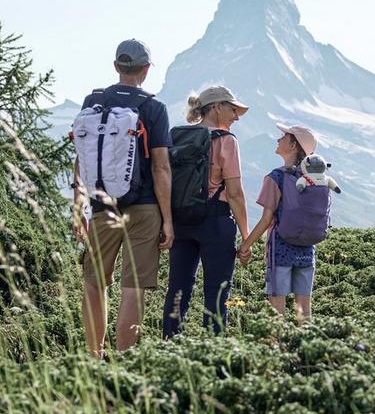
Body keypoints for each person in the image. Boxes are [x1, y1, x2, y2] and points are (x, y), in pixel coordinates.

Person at [71, 39, 173, 355]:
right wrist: (168, 220)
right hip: (143, 208)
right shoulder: (154, 108)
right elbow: (161, 167)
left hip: (101, 206)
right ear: (145, 70)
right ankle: (125, 359)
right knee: (134, 287)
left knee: (94, 281)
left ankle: (94, 355)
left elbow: (82, 156)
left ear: (117, 67)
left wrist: (79, 207)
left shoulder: (94, 101)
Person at [162, 86, 251, 336]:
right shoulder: (226, 141)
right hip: (216, 222)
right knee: (217, 291)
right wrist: (246, 236)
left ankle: (169, 347)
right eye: (233, 109)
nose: (236, 115)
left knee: (178, 289)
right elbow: (234, 193)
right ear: (216, 107)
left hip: (181, 220)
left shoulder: (178, 137)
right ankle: (212, 353)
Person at [239, 123, 319, 322]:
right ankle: (307, 348)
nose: (278, 139)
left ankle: (276, 349)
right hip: (307, 251)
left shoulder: (276, 177)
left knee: (276, 310)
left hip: (280, 251)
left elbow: (267, 219)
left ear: (293, 145)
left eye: (283, 137)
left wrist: (245, 246)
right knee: (304, 309)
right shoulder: (316, 178)